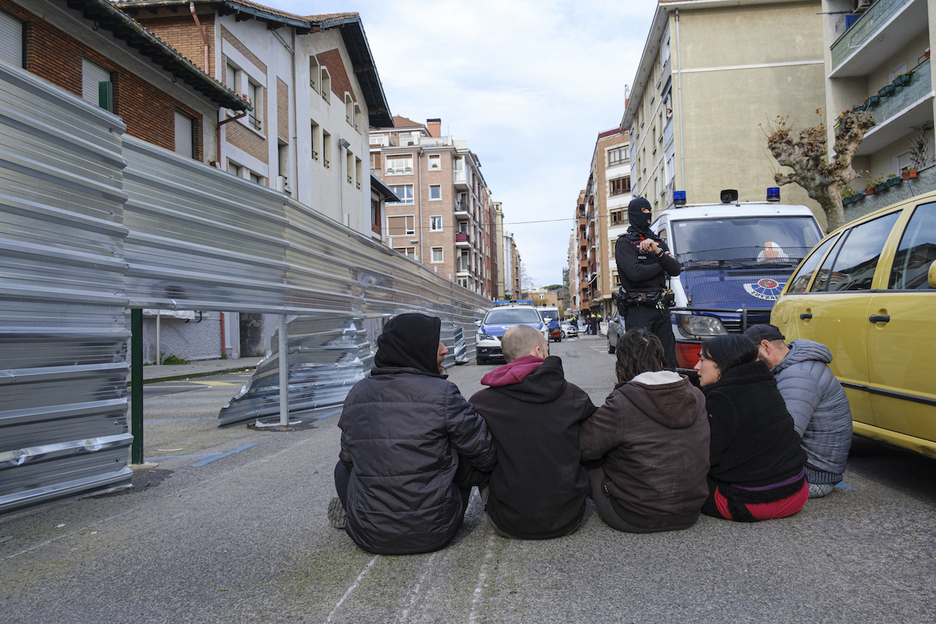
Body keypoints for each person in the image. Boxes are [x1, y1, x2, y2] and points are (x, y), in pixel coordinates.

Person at [330, 312, 497, 555]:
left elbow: (348, 459)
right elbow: (486, 456)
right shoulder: (444, 393)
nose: (445, 349)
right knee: (468, 457)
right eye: (436, 342)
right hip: (435, 532)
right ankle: (495, 508)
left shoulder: (357, 392)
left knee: (343, 467)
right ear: (415, 348)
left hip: (366, 536)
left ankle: (356, 512)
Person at [469, 325, 595, 539]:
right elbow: (594, 444)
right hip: (570, 518)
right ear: (538, 351)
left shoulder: (482, 402)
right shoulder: (574, 395)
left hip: (508, 521)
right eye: (547, 348)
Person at [579, 329, 710, 533]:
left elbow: (584, 446)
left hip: (635, 516)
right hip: (691, 512)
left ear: (622, 363)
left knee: (592, 462)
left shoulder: (623, 402)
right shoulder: (696, 395)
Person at [693, 335, 808, 522]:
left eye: (702, 359)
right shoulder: (766, 383)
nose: (696, 367)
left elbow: (705, 458)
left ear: (722, 363)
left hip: (752, 503)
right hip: (797, 492)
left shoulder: (721, 399)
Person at [743, 324, 852, 498]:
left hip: (814, 476)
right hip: (813, 467)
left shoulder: (799, 375)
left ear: (766, 346)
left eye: (752, 356)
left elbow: (785, 436)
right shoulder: (792, 368)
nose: (752, 363)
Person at [614, 197, 681, 368]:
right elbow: (635, 273)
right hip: (639, 310)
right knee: (640, 359)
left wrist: (657, 251)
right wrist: (661, 263)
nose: (648, 214)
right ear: (634, 214)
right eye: (643, 211)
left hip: (661, 309)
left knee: (668, 359)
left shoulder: (657, 242)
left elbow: (675, 269)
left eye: (649, 210)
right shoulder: (625, 243)